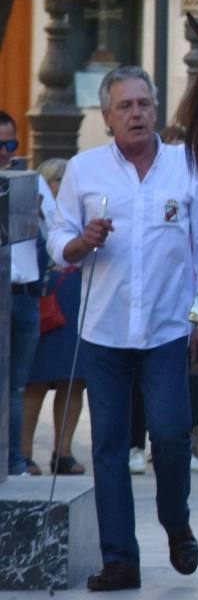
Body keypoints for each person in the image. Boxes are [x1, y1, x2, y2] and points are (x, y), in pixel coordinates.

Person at [47, 67, 198, 591]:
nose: (137, 113)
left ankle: (176, 521)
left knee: (170, 435)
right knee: (109, 447)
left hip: (169, 329)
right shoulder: (83, 169)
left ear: (156, 108)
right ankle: (120, 557)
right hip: (104, 332)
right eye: (125, 106)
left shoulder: (189, 168)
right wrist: (81, 245)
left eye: (144, 103)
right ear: (106, 118)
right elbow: (59, 241)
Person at [21, 158, 87, 476]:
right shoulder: (33, 209)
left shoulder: (82, 211)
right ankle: (23, 453)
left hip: (77, 299)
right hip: (47, 297)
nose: (64, 185)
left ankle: (64, 453)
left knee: (73, 381)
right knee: (36, 381)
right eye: (59, 179)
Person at [0, 111, 56, 477]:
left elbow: (57, 238)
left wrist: (39, 221)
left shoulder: (33, 184)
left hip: (22, 296)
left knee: (16, 387)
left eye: (10, 144)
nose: (5, 153)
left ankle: (15, 462)